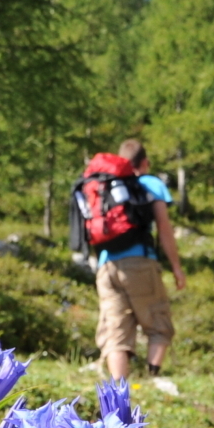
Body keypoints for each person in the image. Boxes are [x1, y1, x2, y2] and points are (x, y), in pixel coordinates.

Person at [83, 139, 187, 380]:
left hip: (106, 265)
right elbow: (163, 226)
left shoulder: (102, 185)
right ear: (145, 162)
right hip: (140, 262)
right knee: (158, 322)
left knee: (115, 328)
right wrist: (176, 267)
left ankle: (119, 388)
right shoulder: (149, 183)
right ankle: (152, 378)